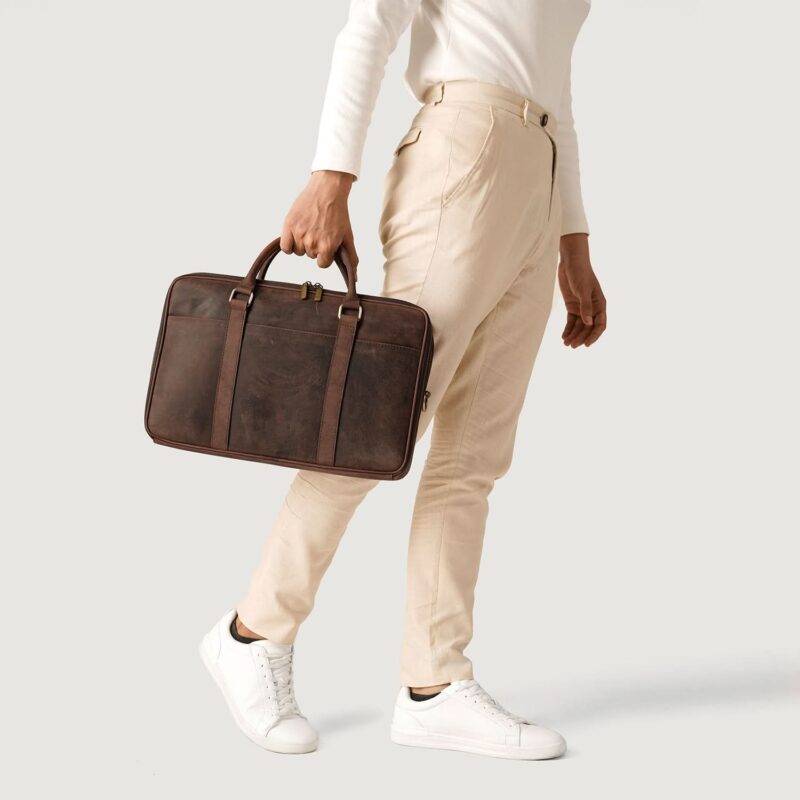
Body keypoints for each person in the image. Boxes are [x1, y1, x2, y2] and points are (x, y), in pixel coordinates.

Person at [200, 0, 606, 760]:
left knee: (474, 457)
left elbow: (557, 85)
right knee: (375, 424)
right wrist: (330, 177)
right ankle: (253, 632)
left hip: (538, 173)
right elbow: (370, 25)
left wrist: (573, 237)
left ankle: (434, 684)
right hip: (465, 152)